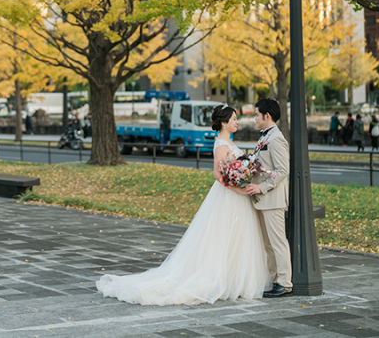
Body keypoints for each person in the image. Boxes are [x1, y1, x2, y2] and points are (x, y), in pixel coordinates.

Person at [96, 104, 271, 305]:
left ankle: (234, 277)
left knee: (235, 236)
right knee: (223, 236)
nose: (237, 122)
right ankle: (221, 277)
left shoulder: (227, 142)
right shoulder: (221, 144)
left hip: (235, 196)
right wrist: (238, 187)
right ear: (224, 123)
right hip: (228, 196)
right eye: (233, 119)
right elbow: (217, 173)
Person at [246, 98, 292, 298]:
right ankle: (275, 281)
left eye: (257, 114)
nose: (255, 118)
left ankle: (284, 282)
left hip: (273, 200)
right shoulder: (264, 137)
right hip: (263, 200)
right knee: (267, 244)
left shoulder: (276, 139)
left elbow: (282, 171)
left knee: (277, 242)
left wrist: (261, 187)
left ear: (267, 116)